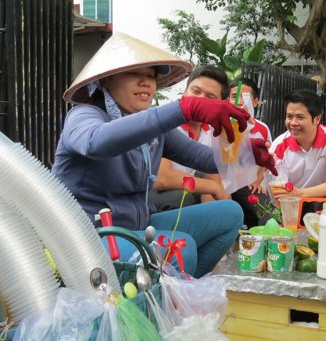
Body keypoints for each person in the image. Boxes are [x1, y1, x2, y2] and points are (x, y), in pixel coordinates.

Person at [52, 33, 276, 278]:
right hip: (92, 236)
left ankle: (180, 292)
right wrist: (184, 108)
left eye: (150, 76)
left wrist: (248, 156)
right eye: (134, 74)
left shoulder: (155, 127)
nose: (146, 82)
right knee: (181, 248)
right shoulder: (84, 115)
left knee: (231, 213)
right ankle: (166, 302)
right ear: (106, 81)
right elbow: (96, 142)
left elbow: (201, 158)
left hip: (138, 226)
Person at [150, 65, 230, 210]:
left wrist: (223, 212)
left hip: (184, 194)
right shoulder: (166, 119)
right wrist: (213, 187)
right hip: (149, 194)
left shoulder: (214, 132)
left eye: (210, 97)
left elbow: (214, 181)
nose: (200, 99)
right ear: (184, 92)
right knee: (181, 197)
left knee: (228, 208)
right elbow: (162, 179)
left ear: (221, 105)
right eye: (196, 91)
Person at [269, 89, 326, 221]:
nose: (293, 123)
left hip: (317, 201)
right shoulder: (279, 145)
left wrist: (301, 194)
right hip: (288, 205)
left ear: (317, 119)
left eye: (300, 117)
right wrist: (295, 197)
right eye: (289, 116)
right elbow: (279, 192)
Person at [228, 76, 273, 228]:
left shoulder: (262, 128)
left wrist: (257, 180)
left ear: (255, 101)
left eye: (245, 96)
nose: (239, 101)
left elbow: (267, 159)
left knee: (268, 213)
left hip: (249, 185)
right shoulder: (221, 125)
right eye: (234, 96)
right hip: (225, 183)